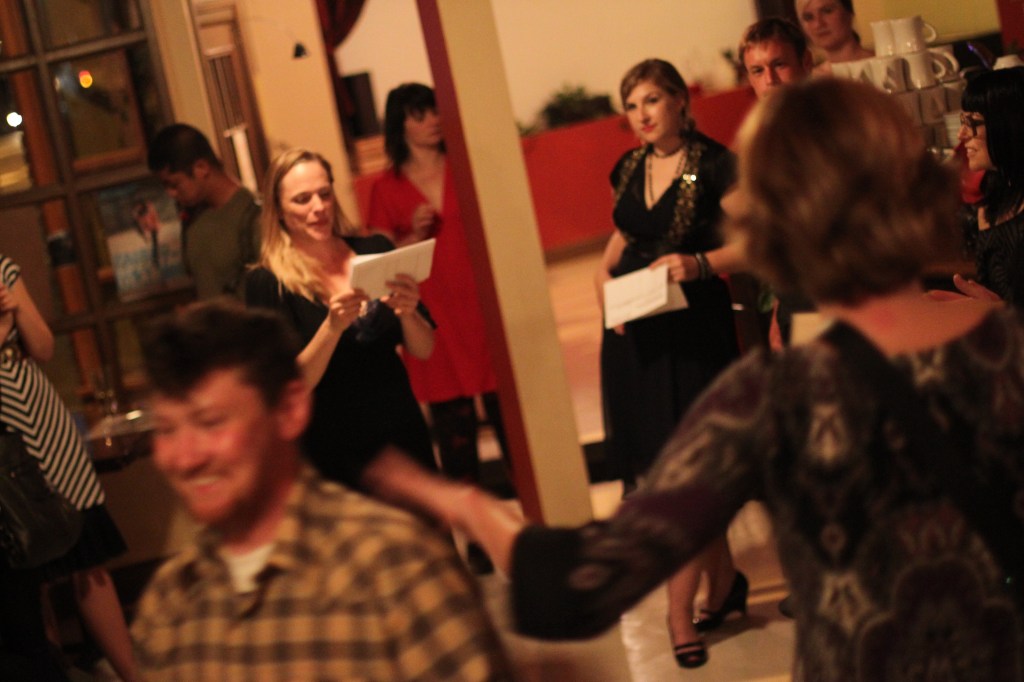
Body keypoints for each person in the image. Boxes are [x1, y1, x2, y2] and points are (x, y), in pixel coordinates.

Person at [366, 78, 1024, 680]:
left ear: (774, 218)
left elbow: (585, 583)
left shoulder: (777, 395)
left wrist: (468, 505)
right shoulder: (1004, 342)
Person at [132, 301, 511, 680]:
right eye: (166, 430)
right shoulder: (170, 603)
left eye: (210, 422)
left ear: (289, 409)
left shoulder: (393, 568)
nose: (184, 458)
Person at [594, 58, 741, 667]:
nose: (643, 115)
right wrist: (604, 287)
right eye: (632, 105)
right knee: (661, 470)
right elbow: (622, 238)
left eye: (653, 100)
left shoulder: (715, 163)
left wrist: (699, 264)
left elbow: (752, 241)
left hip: (692, 333)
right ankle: (726, 581)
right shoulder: (629, 166)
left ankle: (679, 613)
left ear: (681, 100)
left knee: (683, 476)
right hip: (634, 337)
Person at [245, 149, 437, 488]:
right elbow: (291, 384)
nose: (318, 208)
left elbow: (424, 349)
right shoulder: (269, 283)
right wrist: (331, 327)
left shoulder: (373, 249)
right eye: (302, 200)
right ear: (279, 212)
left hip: (401, 432)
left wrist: (409, 313)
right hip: (334, 451)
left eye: (324, 194)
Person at [367, 83, 510, 497]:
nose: (432, 121)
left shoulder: (465, 166)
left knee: (513, 425)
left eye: (433, 111)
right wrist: (409, 234)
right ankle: (477, 539)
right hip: (433, 314)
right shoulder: (386, 187)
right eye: (418, 114)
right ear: (400, 125)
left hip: (483, 305)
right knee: (455, 436)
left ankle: (535, 524)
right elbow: (379, 262)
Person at [0, 255, 138, 681]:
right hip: (4, 433)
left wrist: (14, 306)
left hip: (40, 414)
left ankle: (134, 675)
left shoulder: (2, 266)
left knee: (87, 555)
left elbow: (42, 348)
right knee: (26, 563)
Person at [147, 124, 261, 299]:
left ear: (201, 168)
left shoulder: (253, 215)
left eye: (174, 184)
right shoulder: (192, 219)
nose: (171, 193)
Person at [952, 67, 1024, 307]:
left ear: (1007, 125)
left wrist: (1001, 311)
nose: (962, 134)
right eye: (962, 122)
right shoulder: (994, 200)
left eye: (971, 122)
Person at [795, 0, 872, 74]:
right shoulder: (811, 81)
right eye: (809, 17)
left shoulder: (881, 64)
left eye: (827, 11)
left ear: (849, 12)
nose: (818, 24)